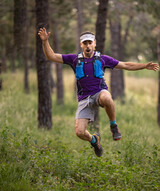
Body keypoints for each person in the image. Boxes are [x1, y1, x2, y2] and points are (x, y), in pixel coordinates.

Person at [38, 28, 159, 157]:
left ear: (94, 43)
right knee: (79, 132)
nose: (88, 45)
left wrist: (144, 65)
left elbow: (126, 65)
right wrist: (45, 41)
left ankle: (113, 126)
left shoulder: (103, 59)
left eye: (90, 43)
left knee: (107, 98)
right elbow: (51, 56)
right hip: (84, 99)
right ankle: (95, 140)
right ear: (81, 45)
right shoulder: (74, 59)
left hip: (99, 93)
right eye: (85, 43)